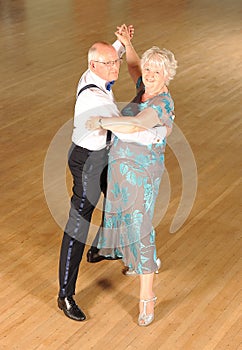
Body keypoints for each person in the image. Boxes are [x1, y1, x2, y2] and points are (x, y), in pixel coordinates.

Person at [86, 24, 178, 326]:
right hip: (119, 175)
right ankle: (134, 261)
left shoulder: (162, 103)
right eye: (149, 70)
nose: (149, 75)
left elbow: (137, 126)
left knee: (139, 228)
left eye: (157, 72)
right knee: (123, 219)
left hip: (140, 176)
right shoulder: (143, 87)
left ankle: (147, 298)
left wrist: (102, 120)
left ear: (167, 77)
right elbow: (136, 67)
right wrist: (125, 44)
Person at [57, 25, 134, 321]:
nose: (115, 66)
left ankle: (99, 249)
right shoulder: (95, 100)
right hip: (87, 161)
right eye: (110, 63)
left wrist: (122, 42)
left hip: (101, 154)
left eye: (116, 61)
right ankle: (65, 295)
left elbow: (109, 52)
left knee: (117, 197)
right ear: (93, 66)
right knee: (78, 225)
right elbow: (128, 127)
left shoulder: (94, 71)